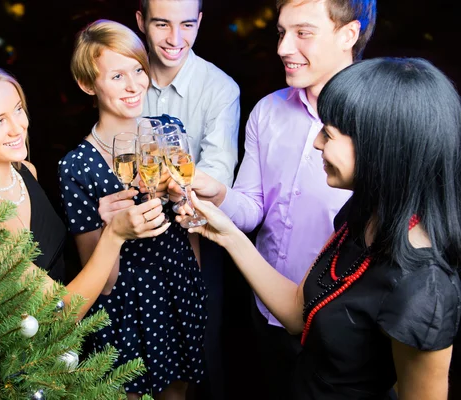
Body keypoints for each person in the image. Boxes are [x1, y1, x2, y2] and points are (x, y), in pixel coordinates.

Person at [183, 57, 461, 399]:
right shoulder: (359, 215)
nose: (316, 143)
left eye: (328, 133)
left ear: (381, 148)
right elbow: (300, 312)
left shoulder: (423, 290)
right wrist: (227, 234)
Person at [173, 0, 376, 397]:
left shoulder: (379, 122)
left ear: (347, 35)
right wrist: (219, 194)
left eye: (303, 33)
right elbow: (251, 209)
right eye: (282, 33)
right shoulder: (267, 111)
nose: (283, 47)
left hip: (344, 325)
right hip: (265, 311)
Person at [0, 61, 169, 319]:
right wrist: (114, 235)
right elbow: (62, 312)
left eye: (18, 110)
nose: (18, 127)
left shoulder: (25, 171)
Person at [59, 19, 207, 399]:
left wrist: (183, 205)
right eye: (117, 76)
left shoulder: (168, 128)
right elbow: (102, 282)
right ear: (88, 85)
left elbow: (189, 221)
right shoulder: (77, 167)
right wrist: (114, 231)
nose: (134, 85)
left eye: (138, 70)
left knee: (178, 393)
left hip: (179, 287)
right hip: (125, 306)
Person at [134, 2, 240, 396]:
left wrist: (168, 182)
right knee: (131, 358)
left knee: (200, 355)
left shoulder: (221, 88)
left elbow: (217, 178)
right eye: (162, 24)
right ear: (141, 20)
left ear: (200, 23)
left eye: (187, 25)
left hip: (196, 237)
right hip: (132, 237)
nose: (175, 40)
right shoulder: (126, 74)